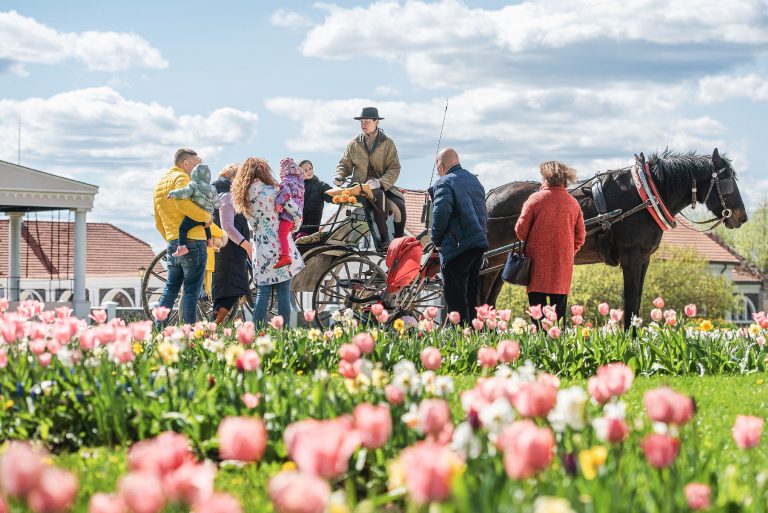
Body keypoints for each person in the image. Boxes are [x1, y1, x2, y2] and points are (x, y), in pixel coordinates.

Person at [231, 157, 304, 325]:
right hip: (280, 246)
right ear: (264, 171)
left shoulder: (242, 197)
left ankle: (256, 331)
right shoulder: (275, 190)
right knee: (284, 292)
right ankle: (283, 333)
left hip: (260, 248)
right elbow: (296, 212)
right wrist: (293, 227)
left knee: (262, 293)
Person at [515, 160, 586, 323]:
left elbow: (521, 231)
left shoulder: (534, 200)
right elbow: (580, 236)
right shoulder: (573, 204)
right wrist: (568, 252)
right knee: (558, 321)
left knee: (537, 318)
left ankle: (539, 348)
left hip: (536, 266)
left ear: (545, 178)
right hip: (562, 265)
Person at [153, 148, 211, 325]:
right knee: (191, 291)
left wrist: (173, 240)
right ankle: (189, 334)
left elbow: (158, 221)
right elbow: (182, 203)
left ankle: (157, 330)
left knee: (170, 290)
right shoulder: (182, 178)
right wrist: (206, 217)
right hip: (194, 242)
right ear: (185, 163)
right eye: (195, 164)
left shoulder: (160, 184)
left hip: (174, 243)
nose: (196, 168)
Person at [334, 106, 406, 251]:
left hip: (382, 184)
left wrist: (380, 182)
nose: (363, 124)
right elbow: (344, 164)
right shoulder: (354, 144)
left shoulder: (387, 143)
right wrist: (340, 176)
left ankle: (399, 239)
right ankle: (384, 238)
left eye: (367, 121)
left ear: (377, 122)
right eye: (361, 121)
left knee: (399, 206)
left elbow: (394, 168)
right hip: (359, 186)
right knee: (377, 195)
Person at [430, 148, 489, 325]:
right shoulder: (474, 180)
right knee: (471, 295)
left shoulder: (444, 183)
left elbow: (441, 214)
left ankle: (460, 337)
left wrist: (437, 241)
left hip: (457, 246)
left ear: (441, 166)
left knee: (455, 298)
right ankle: (474, 333)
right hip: (477, 246)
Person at [211, 163, 253, 324]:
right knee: (230, 290)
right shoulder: (227, 196)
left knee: (225, 290)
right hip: (230, 250)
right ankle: (211, 328)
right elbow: (227, 226)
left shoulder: (215, 192)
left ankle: (211, 327)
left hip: (221, 248)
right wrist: (246, 245)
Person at [166, 163, 220, 257]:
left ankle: (182, 247)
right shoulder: (213, 188)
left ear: (194, 174)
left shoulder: (193, 184)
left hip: (196, 215)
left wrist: (172, 193)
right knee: (206, 225)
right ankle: (210, 240)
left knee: (183, 228)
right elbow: (217, 204)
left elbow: (184, 193)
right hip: (208, 215)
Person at [274, 158, 305, 269]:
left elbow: (284, 191)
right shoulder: (299, 182)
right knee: (287, 235)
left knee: (282, 233)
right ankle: (287, 254)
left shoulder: (287, 180)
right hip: (297, 213)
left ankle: (285, 255)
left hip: (288, 214)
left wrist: (278, 203)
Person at [296, 159, 333, 237]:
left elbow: (332, 195)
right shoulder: (296, 186)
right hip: (296, 226)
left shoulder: (321, 185)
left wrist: (342, 197)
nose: (309, 172)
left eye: (310, 168)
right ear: (299, 172)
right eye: (305, 170)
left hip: (312, 227)